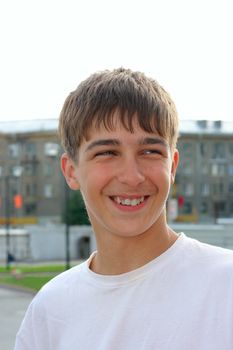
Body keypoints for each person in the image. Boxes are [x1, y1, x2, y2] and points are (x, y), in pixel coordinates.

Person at [14, 68, 233, 350]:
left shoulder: (225, 285)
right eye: (107, 152)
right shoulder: (50, 310)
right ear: (71, 171)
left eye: (150, 151)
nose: (132, 176)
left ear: (173, 166)